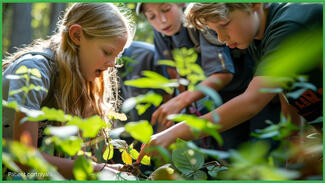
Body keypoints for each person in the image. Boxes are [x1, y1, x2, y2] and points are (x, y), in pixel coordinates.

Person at [137, 2, 322, 162]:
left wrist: (175, 132)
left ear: (253, 4)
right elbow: (284, 88)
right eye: (215, 31)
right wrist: (293, 138)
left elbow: (252, 102)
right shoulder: (257, 39)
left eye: (224, 25)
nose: (222, 39)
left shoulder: (289, 26)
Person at [2, 3, 134, 179]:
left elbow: (66, 160)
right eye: (107, 52)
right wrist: (97, 170)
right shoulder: (33, 72)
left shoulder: (76, 79)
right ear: (77, 35)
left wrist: (105, 169)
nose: (112, 63)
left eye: (116, 55)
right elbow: (24, 159)